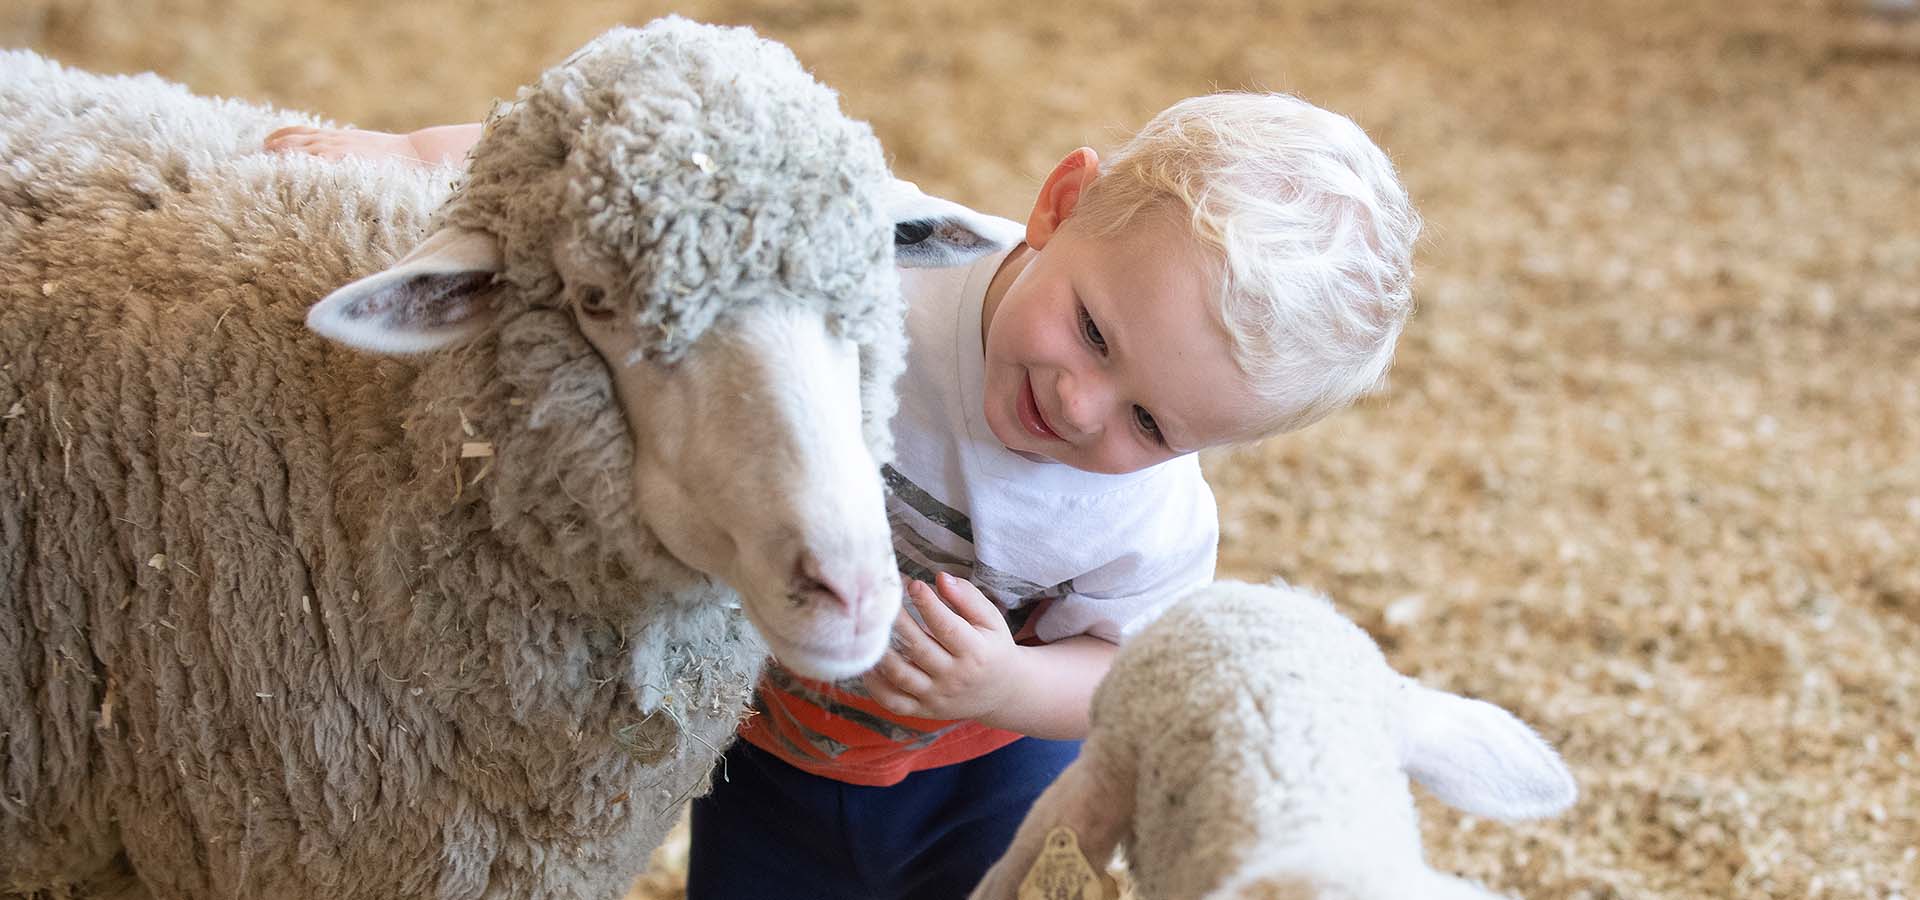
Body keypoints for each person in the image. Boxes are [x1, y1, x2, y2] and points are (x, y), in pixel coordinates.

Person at [269, 89, 1420, 899]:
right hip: (770, 739)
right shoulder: (878, 243)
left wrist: (1011, 681)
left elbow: (1133, 666)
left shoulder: (1149, 516)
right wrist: (402, 151)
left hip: (981, 774)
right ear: (1061, 204)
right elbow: (634, 175)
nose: (1081, 405)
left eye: (1153, 423)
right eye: (1092, 331)